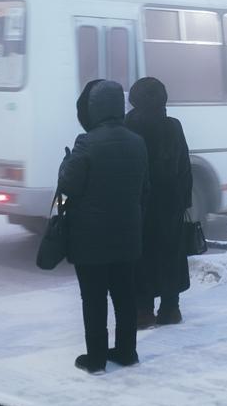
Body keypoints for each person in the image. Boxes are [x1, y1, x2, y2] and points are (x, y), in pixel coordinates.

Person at [58, 79, 149, 374]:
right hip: (128, 234)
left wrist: (66, 162)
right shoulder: (137, 141)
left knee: (94, 298)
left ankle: (96, 358)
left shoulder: (86, 142)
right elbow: (144, 188)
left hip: (91, 238)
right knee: (124, 295)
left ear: (94, 108)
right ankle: (126, 351)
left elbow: (68, 184)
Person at [125, 77, 192, 328]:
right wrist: (183, 201)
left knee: (140, 257)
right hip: (169, 205)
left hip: (137, 206)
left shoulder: (127, 126)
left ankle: (143, 311)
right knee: (169, 254)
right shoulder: (173, 127)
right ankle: (170, 309)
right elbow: (184, 168)